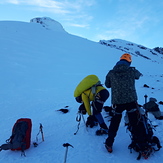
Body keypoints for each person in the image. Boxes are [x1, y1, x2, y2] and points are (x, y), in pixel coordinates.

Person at [104, 53, 142, 153]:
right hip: (131, 101)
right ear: (129, 61)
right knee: (134, 123)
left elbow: (107, 85)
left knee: (115, 123)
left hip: (117, 102)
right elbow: (138, 75)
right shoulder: (132, 70)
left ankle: (109, 143)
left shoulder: (111, 73)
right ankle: (139, 143)